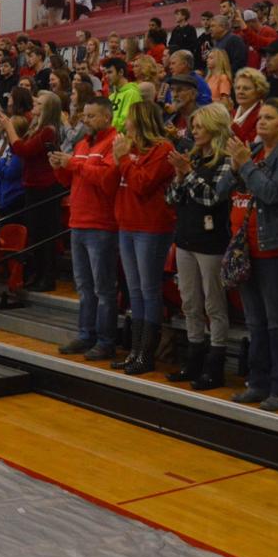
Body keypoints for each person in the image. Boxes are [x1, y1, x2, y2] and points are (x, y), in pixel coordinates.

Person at [224, 99, 278, 409]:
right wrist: (236, 169)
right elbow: (226, 190)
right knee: (255, 322)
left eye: (269, 118)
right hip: (249, 247)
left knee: (276, 323)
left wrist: (245, 165)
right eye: (260, 117)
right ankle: (257, 383)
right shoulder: (256, 151)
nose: (261, 122)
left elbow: (272, 194)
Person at [164, 104, 234, 389]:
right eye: (193, 127)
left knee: (213, 304)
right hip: (185, 237)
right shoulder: (190, 158)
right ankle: (193, 360)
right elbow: (171, 198)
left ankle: (214, 365)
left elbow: (212, 199)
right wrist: (181, 176)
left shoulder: (226, 162)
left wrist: (188, 173)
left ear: (215, 128)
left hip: (211, 243)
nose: (194, 131)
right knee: (189, 302)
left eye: (200, 126)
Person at [110, 101, 175, 376]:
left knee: (149, 289)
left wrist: (124, 159)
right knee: (134, 289)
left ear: (140, 121)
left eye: (128, 119)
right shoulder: (129, 149)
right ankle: (134, 351)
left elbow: (142, 184)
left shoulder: (163, 150)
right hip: (126, 223)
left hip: (151, 226)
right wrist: (121, 159)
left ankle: (146, 354)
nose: (124, 124)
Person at [52, 98, 120, 360]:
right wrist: (59, 167)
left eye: (91, 116)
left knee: (103, 288)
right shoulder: (82, 144)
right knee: (84, 287)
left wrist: (74, 164)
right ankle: (85, 334)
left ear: (106, 118)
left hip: (101, 224)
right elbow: (71, 179)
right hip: (78, 221)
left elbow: (106, 179)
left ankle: (105, 340)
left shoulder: (114, 143)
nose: (86, 120)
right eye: (85, 116)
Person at [3, 91, 64, 291]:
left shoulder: (48, 130)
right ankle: (37, 274)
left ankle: (47, 276)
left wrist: (9, 127)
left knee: (45, 234)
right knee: (35, 234)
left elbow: (24, 151)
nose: (34, 106)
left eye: (39, 104)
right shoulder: (35, 127)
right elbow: (19, 149)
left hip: (45, 187)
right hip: (32, 185)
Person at [103, 57, 141, 132]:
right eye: (105, 73)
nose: (106, 76)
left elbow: (126, 121)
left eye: (110, 72)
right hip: (110, 136)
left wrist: (107, 130)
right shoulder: (111, 96)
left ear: (120, 72)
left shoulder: (132, 93)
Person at [231, 68, 269, 143]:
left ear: (259, 91)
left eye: (246, 88)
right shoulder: (232, 112)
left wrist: (230, 121)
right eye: (237, 88)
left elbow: (250, 144)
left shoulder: (262, 115)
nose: (240, 92)